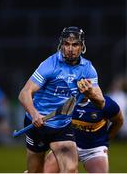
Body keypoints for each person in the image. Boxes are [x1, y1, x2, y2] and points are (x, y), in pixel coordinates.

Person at [18, 26, 105, 172]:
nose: (70, 48)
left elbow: (101, 103)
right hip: (38, 124)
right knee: (36, 171)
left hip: (62, 126)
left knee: (70, 170)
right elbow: (24, 93)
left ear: (82, 46)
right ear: (61, 45)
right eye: (67, 44)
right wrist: (34, 114)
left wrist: (90, 93)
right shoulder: (50, 65)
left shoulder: (88, 69)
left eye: (75, 44)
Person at [43, 95, 123, 173]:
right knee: (47, 171)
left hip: (93, 149)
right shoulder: (63, 101)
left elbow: (118, 120)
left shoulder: (105, 102)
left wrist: (106, 139)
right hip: (67, 145)